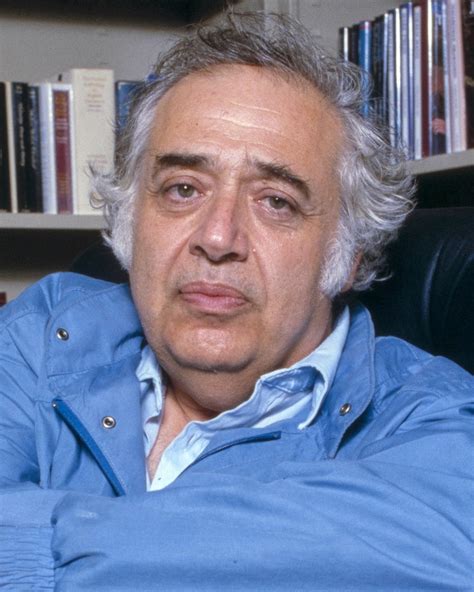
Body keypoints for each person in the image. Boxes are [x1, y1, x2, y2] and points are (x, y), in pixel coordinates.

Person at [0, 12, 473, 591]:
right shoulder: (47, 329)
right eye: (183, 189)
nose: (218, 236)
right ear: (129, 220)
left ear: (349, 254)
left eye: (276, 201)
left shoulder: (430, 419)